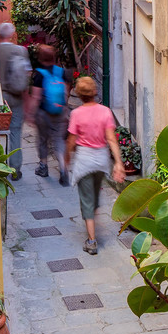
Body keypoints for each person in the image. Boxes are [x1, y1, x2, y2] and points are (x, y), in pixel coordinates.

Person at [64, 76, 125, 255]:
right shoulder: (105, 111)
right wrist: (118, 163)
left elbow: (72, 140)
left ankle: (91, 241)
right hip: (101, 160)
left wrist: (66, 156)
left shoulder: (76, 114)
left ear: (79, 95)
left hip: (84, 160)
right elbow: (111, 139)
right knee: (94, 195)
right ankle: (93, 221)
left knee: (86, 200)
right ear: (94, 92)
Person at [30, 44, 72, 182]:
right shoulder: (61, 72)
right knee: (59, 140)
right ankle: (63, 169)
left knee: (43, 139)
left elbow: (36, 97)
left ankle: (43, 167)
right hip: (60, 111)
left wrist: (31, 114)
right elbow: (66, 92)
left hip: (43, 113)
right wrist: (64, 108)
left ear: (40, 57)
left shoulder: (39, 75)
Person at [0, 23, 31, 179]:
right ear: (12, 34)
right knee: (15, 131)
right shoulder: (21, 51)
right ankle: (15, 169)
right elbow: (27, 74)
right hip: (16, 96)